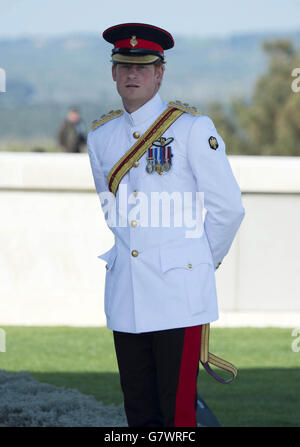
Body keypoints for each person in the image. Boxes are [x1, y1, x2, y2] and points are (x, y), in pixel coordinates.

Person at [87, 23, 245, 427]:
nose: (132, 75)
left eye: (143, 67)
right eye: (124, 66)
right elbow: (112, 211)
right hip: (127, 294)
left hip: (179, 294)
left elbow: (228, 209)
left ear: (160, 73)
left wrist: (195, 262)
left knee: (176, 415)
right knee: (138, 411)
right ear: (113, 73)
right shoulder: (101, 136)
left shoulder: (192, 128)